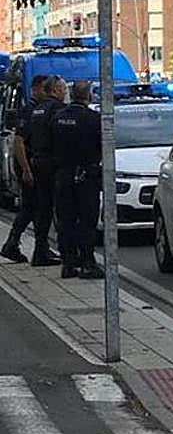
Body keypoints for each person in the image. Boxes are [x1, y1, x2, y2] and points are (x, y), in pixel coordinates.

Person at [51, 80, 103, 280]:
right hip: (86, 175)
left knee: (65, 221)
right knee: (87, 221)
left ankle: (68, 264)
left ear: (71, 94)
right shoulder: (93, 119)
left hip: (63, 174)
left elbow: (49, 143)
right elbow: (103, 147)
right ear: (88, 95)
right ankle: (87, 263)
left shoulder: (58, 118)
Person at [1, 75, 53, 263]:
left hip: (33, 164)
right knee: (32, 207)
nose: (46, 93)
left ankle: (36, 247)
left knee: (36, 207)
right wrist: (26, 169)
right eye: (44, 89)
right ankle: (13, 244)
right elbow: (19, 141)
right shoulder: (29, 110)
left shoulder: (39, 109)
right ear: (36, 89)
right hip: (29, 164)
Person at [23, 76, 67, 267]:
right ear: (55, 90)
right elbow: (62, 137)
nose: (65, 93)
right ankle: (66, 253)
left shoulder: (37, 110)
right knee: (61, 210)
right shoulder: (58, 109)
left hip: (38, 162)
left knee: (43, 210)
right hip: (53, 164)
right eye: (63, 89)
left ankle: (40, 251)